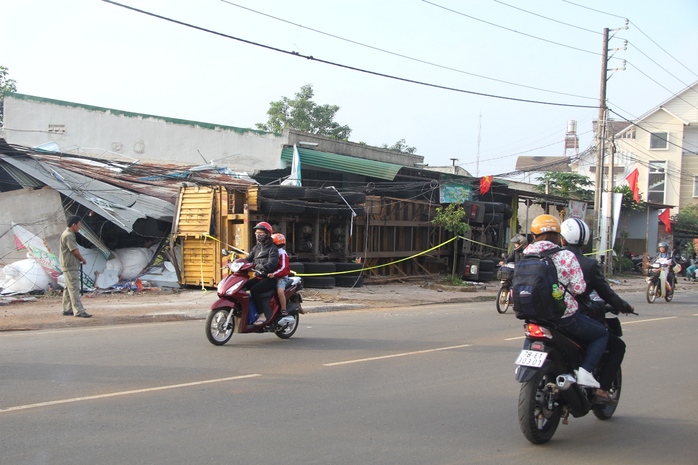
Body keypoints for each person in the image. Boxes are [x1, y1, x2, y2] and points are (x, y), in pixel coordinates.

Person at [522, 214, 607, 388]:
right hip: (564, 316)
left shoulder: (525, 255)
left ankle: (525, 364)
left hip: (532, 316)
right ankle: (585, 371)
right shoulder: (566, 256)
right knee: (601, 334)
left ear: (533, 235)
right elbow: (579, 288)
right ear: (558, 237)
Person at [560, 218, 634, 405]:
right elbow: (606, 293)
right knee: (614, 344)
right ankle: (599, 388)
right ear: (585, 242)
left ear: (562, 239)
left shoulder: (550, 258)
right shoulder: (589, 264)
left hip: (548, 317)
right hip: (574, 317)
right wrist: (623, 306)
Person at [244, 222, 279, 324]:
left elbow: (272, 263)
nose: (258, 235)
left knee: (254, 290)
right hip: (259, 276)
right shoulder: (256, 248)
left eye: (261, 232)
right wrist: (236, 264)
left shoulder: (273, 248)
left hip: (269, 278)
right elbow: (248, 259)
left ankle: (261, 315)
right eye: (256, 232)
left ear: (267, 234)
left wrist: (263, 267)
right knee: (242, 286)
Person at [59, 216, 91, 318]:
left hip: (68, 264)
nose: (79, 227)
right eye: (79, 225)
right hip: (70, 265)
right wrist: (82, 259)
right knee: (74, 288)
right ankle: (79, 310)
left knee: (68, 288)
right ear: (74, 225)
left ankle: (67, 309)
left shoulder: (67, 234)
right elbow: (74, 250)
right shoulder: (68, 235)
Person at [268, 233, 291, 316]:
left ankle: (283, 309)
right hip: (270, 276)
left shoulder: (282, 253)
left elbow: (283, 268)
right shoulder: (270, 252)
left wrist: (274, 274)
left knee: (280, 291)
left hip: (281, 278)